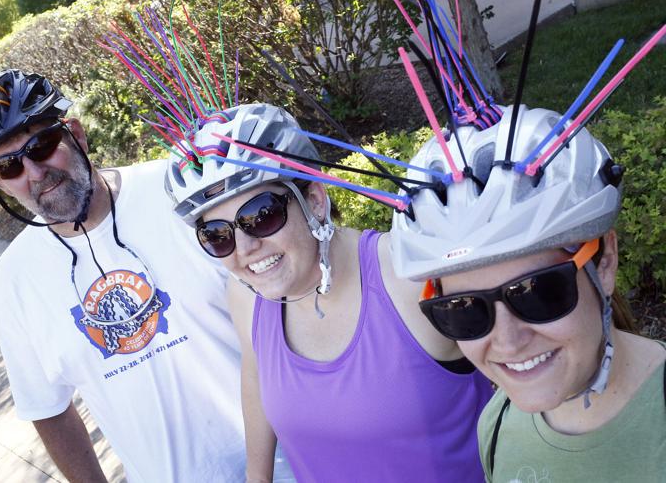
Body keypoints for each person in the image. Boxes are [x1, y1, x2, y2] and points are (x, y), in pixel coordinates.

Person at [163, 102, 494, 482]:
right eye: (217, 235)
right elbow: (256, 380)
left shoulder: (408, 277)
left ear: (315, 200)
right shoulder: (248, 300)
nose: (245, 248)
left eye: (261, 216)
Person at [0, 69, 250, 482]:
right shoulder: (14, 280)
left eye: (42, 146)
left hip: (289, 463)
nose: (34, 172)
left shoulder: (179, 192)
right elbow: (48, 409)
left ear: (75, 133)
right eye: (8, 166)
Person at [390, 104, 666, 481]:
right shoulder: (497, 424)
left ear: (605, 262)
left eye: (535, 292)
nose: (507, 341)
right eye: (464, 308)